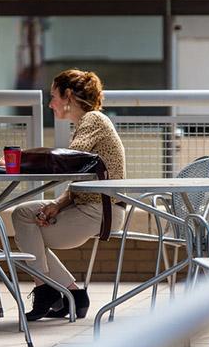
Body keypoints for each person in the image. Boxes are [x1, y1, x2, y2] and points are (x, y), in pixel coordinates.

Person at [12, 69, 126, 321]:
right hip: (93, 206)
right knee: (23, 215)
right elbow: (83, 171)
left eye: (53, 96)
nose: (50, 103)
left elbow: (70, 160)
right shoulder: (89, 122)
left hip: (100, 211)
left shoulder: (93, 119)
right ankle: (72, 294)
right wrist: (58, 203)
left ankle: (46, 289)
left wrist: (23, 160)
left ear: (68, 95)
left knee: (28, 235)